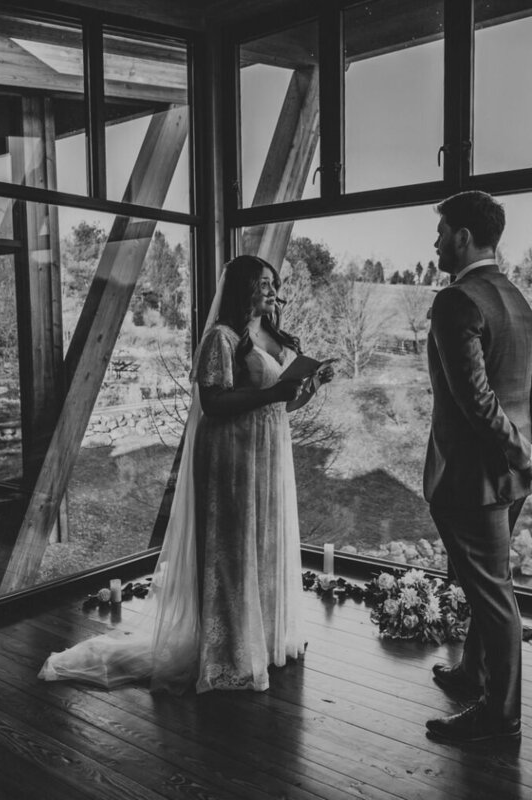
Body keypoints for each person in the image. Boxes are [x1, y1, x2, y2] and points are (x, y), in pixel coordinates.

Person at [38, 254, 332, 694]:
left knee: (262, 543)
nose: (273, 291)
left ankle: (263, 636)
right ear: (243, 288)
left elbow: (282, 406)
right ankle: (229, 650)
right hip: (232, 457)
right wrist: (274, 391)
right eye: (264, 283)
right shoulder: (221, 338)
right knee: (233, 549)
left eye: (274, 284)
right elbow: (213, 403)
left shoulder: (269, 336)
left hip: (269, 453)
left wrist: (308, 388)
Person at [422, 191, 532, 742]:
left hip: (472, 478)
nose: (435, 242)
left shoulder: (456, 301)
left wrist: (527, 451)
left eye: (441, 232)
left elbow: (475, 401)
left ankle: (500, 715)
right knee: (491, 585)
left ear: (461, 236)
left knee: (493, 594)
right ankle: (471, 674)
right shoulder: (516, 298)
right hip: (514, 477)